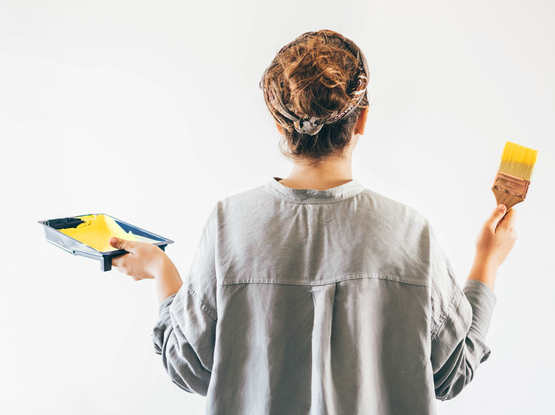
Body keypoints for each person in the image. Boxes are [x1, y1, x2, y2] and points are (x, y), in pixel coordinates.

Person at [110, 29, 518, 414]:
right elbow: (453, 373)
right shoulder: (411, 234)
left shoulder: (228, 225)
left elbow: (191, 368)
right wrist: (488, 261)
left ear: (279, 124)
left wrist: (160, 268)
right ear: (361, 119)